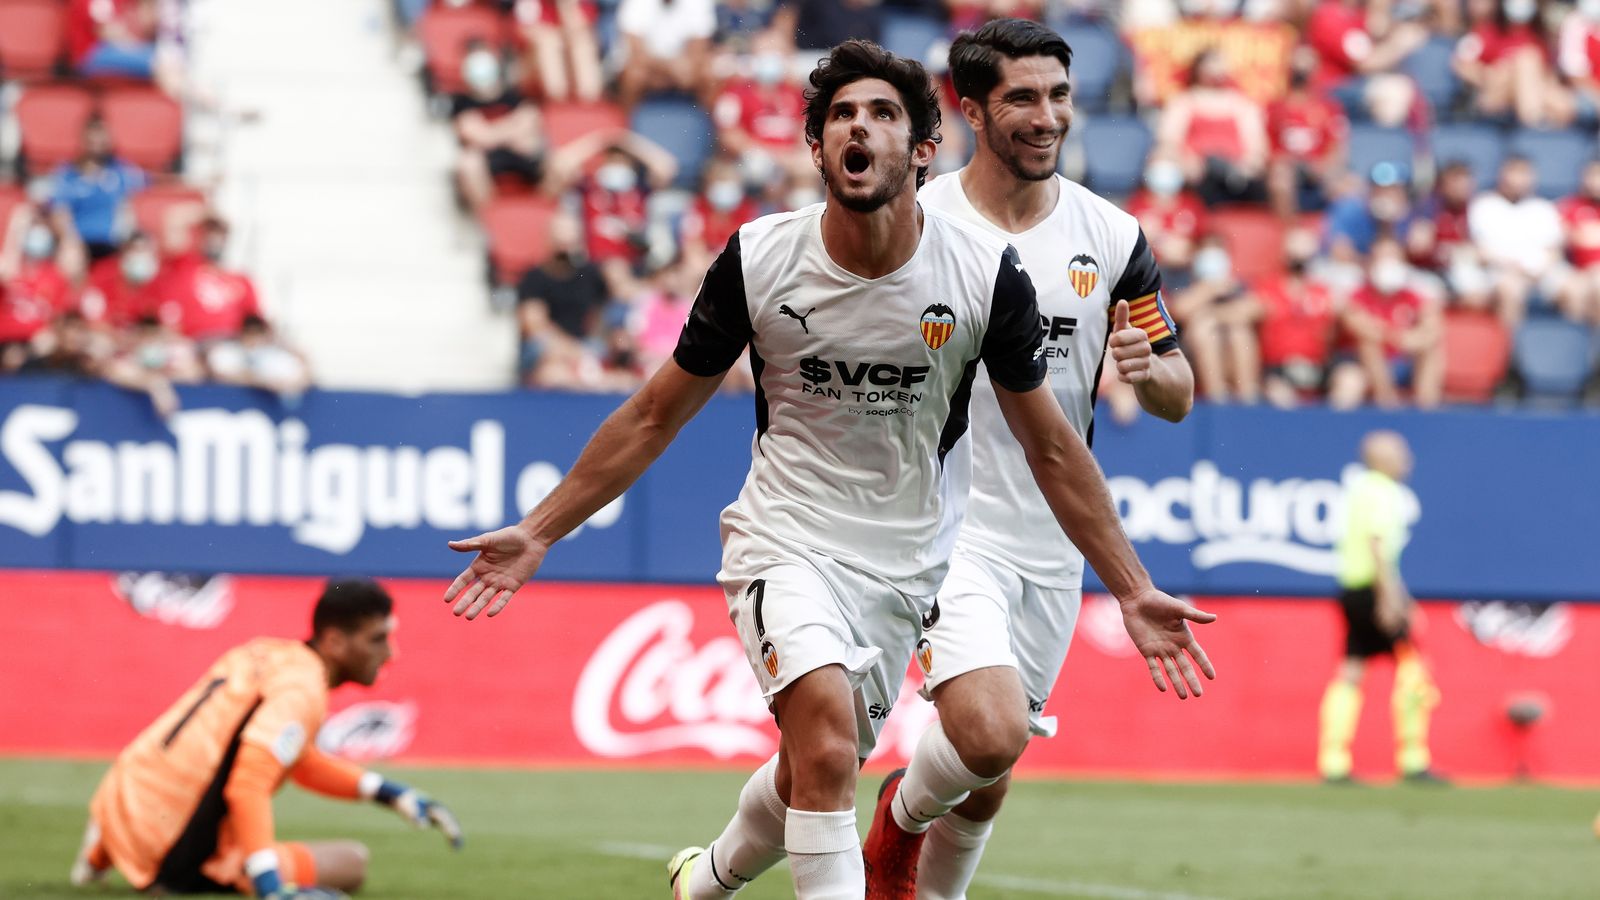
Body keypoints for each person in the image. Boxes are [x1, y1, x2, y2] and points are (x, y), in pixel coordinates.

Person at [441, 39, 1213, 900]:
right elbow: (655, 412)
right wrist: (541, 530)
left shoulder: (993, 271)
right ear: (816, 147)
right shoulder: (761, 258)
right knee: (834, 747)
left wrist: (1134, 585)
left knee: (860, 760)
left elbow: (1057, 448)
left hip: (910, 558)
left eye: (883, 113)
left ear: (919, 148)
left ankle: (707, 881)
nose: (860, 127)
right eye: (842, 114)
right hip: (796, 536)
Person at [861, 22, 1202, 900]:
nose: (1046, 116)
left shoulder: (1113, 236)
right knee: (986, 735)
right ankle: (896, 829)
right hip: (939, 524)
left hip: (1051, 538)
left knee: (991, 770)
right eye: (1022, 97)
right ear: (972, 110)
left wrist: (1152, 370)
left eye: (1057, 95)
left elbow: (1177, 390)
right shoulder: (916, 221)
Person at [70, 579, 462, 897]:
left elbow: (289, 759)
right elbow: (247, 785)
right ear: (335, 642)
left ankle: (101, 852)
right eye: (377, 639)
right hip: (173, 847)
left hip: (124, 796)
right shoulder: (302, 689)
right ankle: (173, 874)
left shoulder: (266, 653)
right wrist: (270, 886)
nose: (389, 654)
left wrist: (389, 793)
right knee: (352, 863)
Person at [1317, 431, 1443, 785]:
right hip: (1374, 591)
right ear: (1382, 458)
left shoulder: (1359, 490)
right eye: (1401, 453)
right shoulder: (1384, 493)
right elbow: (1378, 548)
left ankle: (1333, 760)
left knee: (1352, 669)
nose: (1408, 459)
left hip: (1352, 589)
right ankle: (1414, 758)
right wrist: (1392, 599)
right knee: (1413, 666)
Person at [49, 117, 147, 261]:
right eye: (92, 141)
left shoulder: (122, 171)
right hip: (78, 244)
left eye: (101, 141)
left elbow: (135, 201)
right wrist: (70, 240)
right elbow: (59, 212)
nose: (96, 146)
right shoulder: (67, 174)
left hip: (113, 244)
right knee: (68, 255)